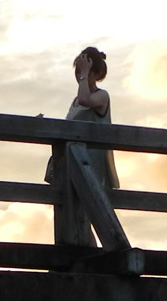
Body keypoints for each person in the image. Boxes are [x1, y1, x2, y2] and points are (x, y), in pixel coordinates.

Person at [43, 46, 117, 194]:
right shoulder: (75, 101)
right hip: (73, 162)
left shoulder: (102, 96)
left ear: (97, 74)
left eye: (86, 72)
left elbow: (85, 99)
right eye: (77, 71)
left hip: (92, 164)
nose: (80, 76)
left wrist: (84, 72)